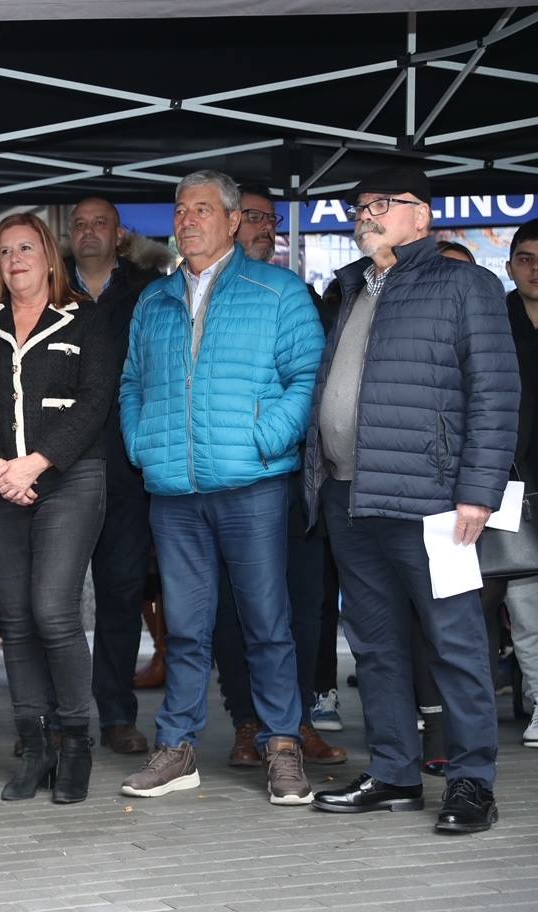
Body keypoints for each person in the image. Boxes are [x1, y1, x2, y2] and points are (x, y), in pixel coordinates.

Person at [305, 166, 519, 834]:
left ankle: (471, 782)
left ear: (420, 216)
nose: (364, 214)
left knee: (454, 644)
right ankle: (395, 774)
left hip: (434, 505)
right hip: (350, 497)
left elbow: (495, 393)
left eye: (380, 204)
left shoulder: (465, 284)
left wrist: (478, 491)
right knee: (375, 647)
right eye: (359, 205)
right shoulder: (351, 287)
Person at [118, 169, 324, 806]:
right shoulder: (154, 300)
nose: (187, 220)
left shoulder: (279, 291)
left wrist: (267, 439)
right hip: (175, 492)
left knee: (267, 622)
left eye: (202, 210)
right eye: (180, 210)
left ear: (234, 221)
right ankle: (176, 749)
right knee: (185, 629)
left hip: (252, 486)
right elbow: (132, 385)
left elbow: (307, 379)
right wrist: (143, 444)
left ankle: (283, 745)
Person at [0, 212, 113, 803]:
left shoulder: (86, 318)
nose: (15, 259)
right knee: (13, 619)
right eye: (5, 250)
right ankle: (35, 747)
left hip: (68, 479)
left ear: (48, 255)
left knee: (53, 612)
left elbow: (96, 401)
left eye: (27, 247)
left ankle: (76, 746)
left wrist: (35, 463)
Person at [209, 185, 347, 768]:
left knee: (307, 602)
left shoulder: (305, 299)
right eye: (255, 217)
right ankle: (248, 722)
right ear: (231, 224)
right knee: (237, 607)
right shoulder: (206, 300)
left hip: (301, 482)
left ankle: (296, 721)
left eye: (271, 218)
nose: (266, 227)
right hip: (236, 478)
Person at [64, 196, 158, 755]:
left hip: (126, 466)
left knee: (122, 596)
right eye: (80, 224)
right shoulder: (50, 293)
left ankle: (118, 714)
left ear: (119, 235)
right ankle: (61, 714)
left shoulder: (149, 291)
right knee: (54, 600)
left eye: (101, 223)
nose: (90, 232)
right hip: (60, 468)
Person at [500, 219, 538, 747]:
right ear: (509, 266)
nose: (535, 268)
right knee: (525, 605)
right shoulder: (493, 320)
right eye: (526, 258)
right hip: (511, 482)